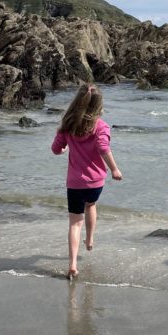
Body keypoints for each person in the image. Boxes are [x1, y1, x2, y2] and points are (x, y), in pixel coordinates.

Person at [51, 84, 122, 280]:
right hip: (95, 182)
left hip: (74, 183)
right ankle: (89, 240)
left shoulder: (68, 124)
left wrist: (64, 149)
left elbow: (56, 149)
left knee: (75, 223)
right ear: (99, 105)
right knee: (91, 205)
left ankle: (72, 264)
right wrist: (115, 169)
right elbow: (103, 148)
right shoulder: (101, 126)